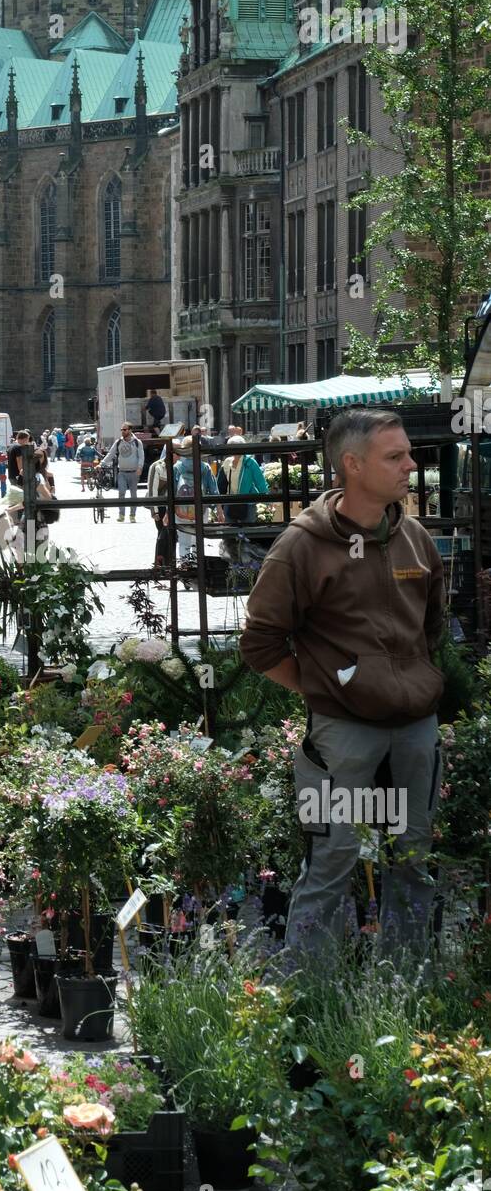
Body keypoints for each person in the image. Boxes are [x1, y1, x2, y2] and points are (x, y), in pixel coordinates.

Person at [240, 409, 446, 959]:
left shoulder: (417, 540)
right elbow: (259, 645)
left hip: (414, 735)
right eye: (395, 456)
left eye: (408, 453)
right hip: (339, 743)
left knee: (413, 857)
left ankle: (407, 987)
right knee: (331, 861)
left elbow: (433, 630)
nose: (410, 464)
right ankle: (308, 995)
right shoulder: (302, 546)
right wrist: (327, 693)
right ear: (352, 465)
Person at [171, 435, 221, 559]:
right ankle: (196, 567)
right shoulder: (204, 467)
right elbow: (213, 490)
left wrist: (168, 512)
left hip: (181, 511)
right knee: (197, 540)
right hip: (200, 510)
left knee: (183, 542)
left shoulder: (177, 467)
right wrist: (218, 509)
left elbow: (171, 491)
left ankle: (185, 566)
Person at [217, 434, 269, 527]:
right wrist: (219, 504)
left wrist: (268, 500)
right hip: (230, 502)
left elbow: (260, 481)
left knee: (247, 531)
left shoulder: (250, 462)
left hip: (248, 503)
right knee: (229, 532)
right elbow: (221, 484)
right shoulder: (227, 462)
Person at [102, 423, 145, 522]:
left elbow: (141, 456)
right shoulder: (118, 442)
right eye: (121, 429)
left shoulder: (137, 442)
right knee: (121, 493)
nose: (123, 431)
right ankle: (121, 515)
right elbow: (111, 454)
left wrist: (140, 467)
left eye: (125, 429)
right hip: (122, 472)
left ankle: (132, 515)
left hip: (134, 472)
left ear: (130, 430)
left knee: (133, 495)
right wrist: (102, 463)